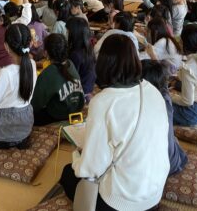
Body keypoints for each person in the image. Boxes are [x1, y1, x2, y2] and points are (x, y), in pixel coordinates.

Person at [59, 34, 169, 211]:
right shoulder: (152, 90)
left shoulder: (102, 102)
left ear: (103, 64)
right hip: (155, 192)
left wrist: (77, 155)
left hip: (122, 201)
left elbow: (91, 169)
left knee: (68, 174)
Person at [141, 59, 187, 175]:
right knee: (173, 139)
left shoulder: (141, 102)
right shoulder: (165, 95)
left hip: (153, 169)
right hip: (171, 161)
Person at [31, 34, 84, 125]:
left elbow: (35, 104)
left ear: (46, 53)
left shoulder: (48, 73)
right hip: (76, 110)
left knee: (30, 114)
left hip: (59, 114)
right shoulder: (70, 64)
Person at [67, 17, 96, 99]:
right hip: (89, 87)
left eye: (67, 31)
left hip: (80, 93)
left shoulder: (76, 54)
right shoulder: (87, 48)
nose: (66, 33)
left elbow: (71, 78)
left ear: (74, 33)